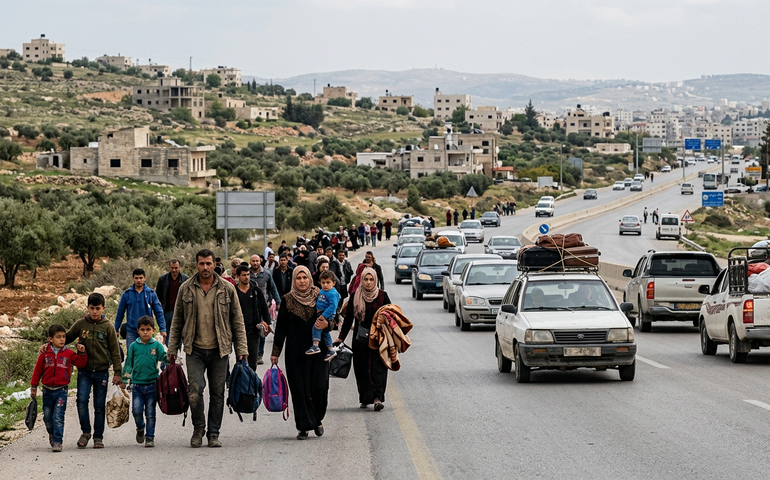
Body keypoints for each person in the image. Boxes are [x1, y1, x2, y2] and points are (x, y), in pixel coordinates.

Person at [167, 249, 249, 448]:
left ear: (214, 265)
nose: (205, 267)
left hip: (219, 350)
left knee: (217, 392)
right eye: (202, 263)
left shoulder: (227, 289)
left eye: (208, 263)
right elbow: (177, 320)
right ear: (196, 265)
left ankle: (213, 433)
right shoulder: (186, 289)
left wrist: (242, 349)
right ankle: (198, 428)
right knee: (194, 391)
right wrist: (172, 348)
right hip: (194, 349)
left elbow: (237, 321)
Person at [270, 266, 332, 440]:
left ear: (310, 279)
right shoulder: (288, 300)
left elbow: (333, 318)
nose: (302, 281)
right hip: (295, 353)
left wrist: (329, 325)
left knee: (320, 386)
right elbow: (281, 329)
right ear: (294, 280)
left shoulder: (321, 295)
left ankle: (317, 419)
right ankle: (304, 426)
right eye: (299, 278)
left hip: (318, 351)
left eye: (305, 277)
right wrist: (275, 353)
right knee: (300, 390)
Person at [66, 292, 122, 449]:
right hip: (84, 371)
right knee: (81, 401)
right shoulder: (81, 324)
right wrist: (49, 345)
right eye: (92, 308)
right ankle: (86, 432)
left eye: (98, 308)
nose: (95, 312)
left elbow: (115, 351)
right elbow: (66, 338)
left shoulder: (108, 327)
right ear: (87, 308)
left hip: (102, 372)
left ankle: (98, 436)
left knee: (99, 405)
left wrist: (118, 372)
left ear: (103, 308)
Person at [335, 267, 391, 411]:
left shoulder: (382, 296)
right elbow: (348, 320)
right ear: (361, 280)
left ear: (375, 280)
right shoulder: (355, 296)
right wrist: (341, 338)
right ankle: (365, 398)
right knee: (361, 369)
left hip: (378, 339)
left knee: (378, 369)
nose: (368, 282)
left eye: (371, 279)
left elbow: (391, 317)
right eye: (365, 279)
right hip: (360, 340)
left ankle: (378, 398)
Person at [31, 324, 88, 452]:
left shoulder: (68, 353)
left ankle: (57, 441)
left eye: (63, 336)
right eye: (58, 337)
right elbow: (37, 371)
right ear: (50, 339)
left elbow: (80, 363)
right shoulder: (45, 354)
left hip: (61, 391)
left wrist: (82, 352)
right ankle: (51, 433)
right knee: (47, 417)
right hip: (46, 390)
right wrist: (33, 387)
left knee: (58, 416)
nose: (62, 339)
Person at [122, 316, 167, 448]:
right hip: (137, 386)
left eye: (148, 329)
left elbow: (163, 358)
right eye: (142, 329)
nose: (145, 332)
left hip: (153, 385)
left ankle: (150, 437)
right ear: (138, 331)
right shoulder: (134, 346)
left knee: (150, 413)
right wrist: (124, 379)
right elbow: (129, 364)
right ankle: (140, 428)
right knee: (136, 411)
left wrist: (170, 358)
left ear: (153, 330)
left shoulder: (156, 346)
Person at [115, 268, 167, 350]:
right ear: (133, 279)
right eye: (136, 278)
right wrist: (116, 328)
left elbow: (158, 312)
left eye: (141, 278)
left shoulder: (151, 294)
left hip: (148, 331)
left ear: (145, 278)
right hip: (132, 331)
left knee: (148, 356)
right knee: (132, 356)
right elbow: (120, 313)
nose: (138, 280)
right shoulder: (126, 294)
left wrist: (162, 329)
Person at [235, 265, 271, 371]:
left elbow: (264, 308)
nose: (246, 277)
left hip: (254, 332)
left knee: (252, 362)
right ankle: (242, 385)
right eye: (243, 275)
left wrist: (267, 324)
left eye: (248, 275)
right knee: (240, 361)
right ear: (237, 276)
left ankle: (251, 385)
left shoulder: (256, 291)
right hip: (239, 332)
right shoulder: (234, 292)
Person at [249, 255, 280, 365]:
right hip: (250, 307)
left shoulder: (266, 273)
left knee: (263, 329)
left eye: (257, 261)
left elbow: (272, 288)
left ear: (260, 261)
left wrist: (278, 301)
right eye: (253, 261)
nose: (255, 263)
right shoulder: (247, 274)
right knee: (252, 330)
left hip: (263, 307)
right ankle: (250, 353)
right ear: (250, 262)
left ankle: (259, 355)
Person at [305, 270, 341, 361]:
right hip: (321, 312)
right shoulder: (322, 291)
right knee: (325, 333)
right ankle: (330, 349)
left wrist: (324, 315)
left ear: (333, 283)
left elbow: (333, 306)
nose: (325, 285)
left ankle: (315, 345)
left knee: (316, 327)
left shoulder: (332, 293)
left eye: (328, 282)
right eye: (323, 282)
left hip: (326, 314)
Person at [155, 259, 190, 346]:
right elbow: (158, 296)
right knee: (167, 334)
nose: (174, 270)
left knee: (180, 333)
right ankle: (168, 355)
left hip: (181, 312)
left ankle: (178, 354)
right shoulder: (162, 279)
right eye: (172, 268)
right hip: (167, 311)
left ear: (180, 268)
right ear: (169, 268)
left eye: (176, 268)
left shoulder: (186, 279)